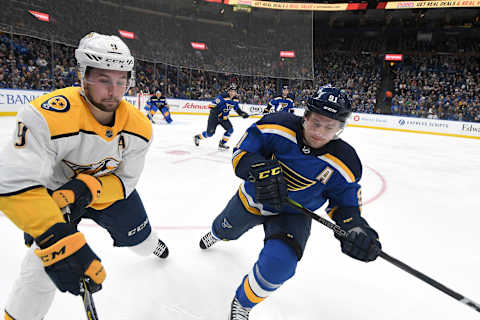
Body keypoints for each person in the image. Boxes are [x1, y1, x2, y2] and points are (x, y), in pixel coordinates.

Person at [0, 32, 169, 320]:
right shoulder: (45, 115)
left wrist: (89, 187)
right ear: (82, 76)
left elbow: (126, 181)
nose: (113, 91)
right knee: (40, 270)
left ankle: (153, 244)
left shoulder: (140, 128)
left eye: (121, 80)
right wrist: (53, 235)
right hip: (57, 197)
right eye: (103, 79)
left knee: (141, 244)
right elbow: (12, 179)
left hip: (110, 196)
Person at [198, 85, 382, 319]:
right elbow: (241, 153)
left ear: (340, 129)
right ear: (305, 117)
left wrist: (355, 228)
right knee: (225, 228)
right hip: (253, 200)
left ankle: (243, 303)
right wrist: (258, 168)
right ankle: (217, 234)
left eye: (329, 127)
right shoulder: (276, 126)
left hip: (294, 214)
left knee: (280, 264)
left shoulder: (345, 162)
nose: (319, 132)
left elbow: (344, 205)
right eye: (316, 123)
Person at [193, 84, 250, 151]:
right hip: (214, 117)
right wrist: (218, 113)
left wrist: (242, 113)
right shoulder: (222, 97)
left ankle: (222, 144)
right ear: (228, 91)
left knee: (230, 130)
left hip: (223, 118)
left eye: (234, 91)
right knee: (209, 134)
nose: (232, 93)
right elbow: (211, 106)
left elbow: (237, 109)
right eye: (231, 91)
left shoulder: (236, 100)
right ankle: (198, 137)